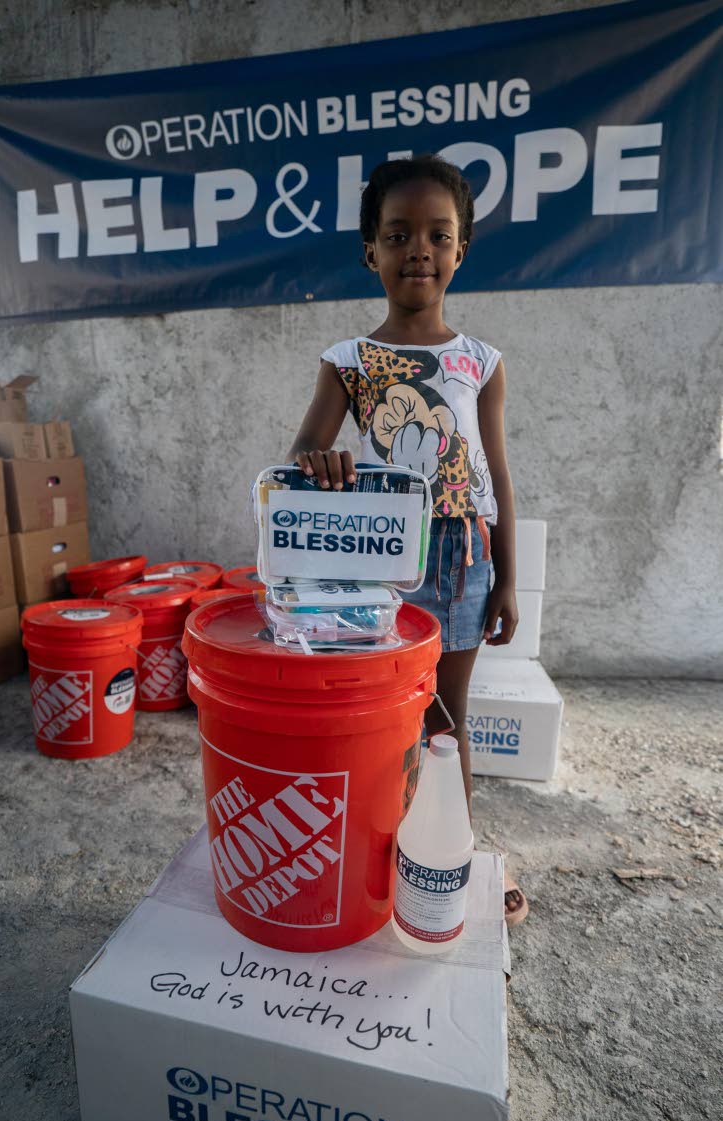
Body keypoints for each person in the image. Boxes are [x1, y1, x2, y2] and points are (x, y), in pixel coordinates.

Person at [287, 153, 528, 927]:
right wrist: (319, 463)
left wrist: (508, 577)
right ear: (371, 252)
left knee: (443, 716)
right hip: (373, 563)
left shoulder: (480, 361)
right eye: (397, 234)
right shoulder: (348, 362)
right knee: (378, 713)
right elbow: (299, 459)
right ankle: (372, 846)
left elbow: (494, 473)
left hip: (461, 556)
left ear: (460, 251)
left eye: (436, 233)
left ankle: (448, 855)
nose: (416, 248)